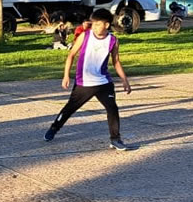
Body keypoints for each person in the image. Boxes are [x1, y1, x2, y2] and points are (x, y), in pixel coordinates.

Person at [44, 8, 134, 150]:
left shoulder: (113, 40)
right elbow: (71, 55)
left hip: (104, 82)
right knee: (69, 109)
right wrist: (66, 75)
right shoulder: (85, 36)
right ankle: (54, 128)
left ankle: (115, 139)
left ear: (107, 25)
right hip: (84, 82)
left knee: (112, 109)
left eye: (98, 24)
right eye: (94, 24)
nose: (95, 27)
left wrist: (125, 80)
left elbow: (116, 61)